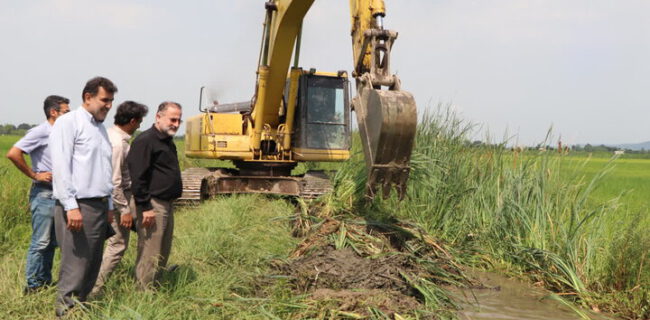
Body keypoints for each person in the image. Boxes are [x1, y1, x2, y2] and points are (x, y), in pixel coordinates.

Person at [49, 76, 117, 316]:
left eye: (111, 101)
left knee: (92, 265)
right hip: (79, 206)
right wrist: (71, 206)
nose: (109, 105)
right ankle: (66, 313)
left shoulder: (99, 129)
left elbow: (105, 170)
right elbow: (61, 168)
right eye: (104, 100)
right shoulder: (69, 122)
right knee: (75, 266)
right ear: (88, 98)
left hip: (98, 206)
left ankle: (82, 309)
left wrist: (108, 205)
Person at [6, 95, 70, 294]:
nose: (69, 116)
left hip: (58, 193)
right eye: (66, 112)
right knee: (40, 242)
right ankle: (32, 285)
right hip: (44, 193)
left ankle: (44, 280)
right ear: (53, 113)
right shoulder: (42, 131)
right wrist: (34, 174)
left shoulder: (61, 133)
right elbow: (13, 153)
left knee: (52, 242)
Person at [91, 101, 148, 296]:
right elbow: (114, 181)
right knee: (117, 244)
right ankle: (95, 289)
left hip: (115, 199)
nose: (140, 126)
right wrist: (124, 210)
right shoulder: (118, 144)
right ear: (132, 121)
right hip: (118, 200)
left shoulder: (110, 135)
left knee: (142, 233)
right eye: (139, 122)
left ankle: (145, 275)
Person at [127, 101, 183, 290]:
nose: (176, 124)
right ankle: (143, 294)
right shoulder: (145, 141)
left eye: (179, 120)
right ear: (158, 117)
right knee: (150, 252)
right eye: (172, 119)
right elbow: (138, 177)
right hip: (152, 205)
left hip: (166, 204)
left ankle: (155, 288)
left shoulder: (166, 141)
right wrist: (146, 208)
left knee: (162, 251)